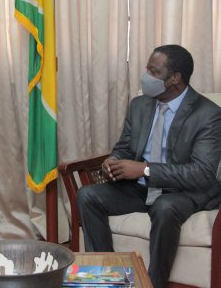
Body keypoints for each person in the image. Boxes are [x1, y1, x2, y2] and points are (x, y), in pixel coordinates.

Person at [77, 45, 221, 288]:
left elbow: (203, 173)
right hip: (141, 187)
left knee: (165, 208)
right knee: (88, 196)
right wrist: (113, 161)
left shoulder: (208, 114)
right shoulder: (140, 105)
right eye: (147, 69)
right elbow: (124, 147)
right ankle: (107, 277)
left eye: (153, 72)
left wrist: (145, 169)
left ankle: (153, 283)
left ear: (175, 78)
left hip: (182, 192)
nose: (146, 77)